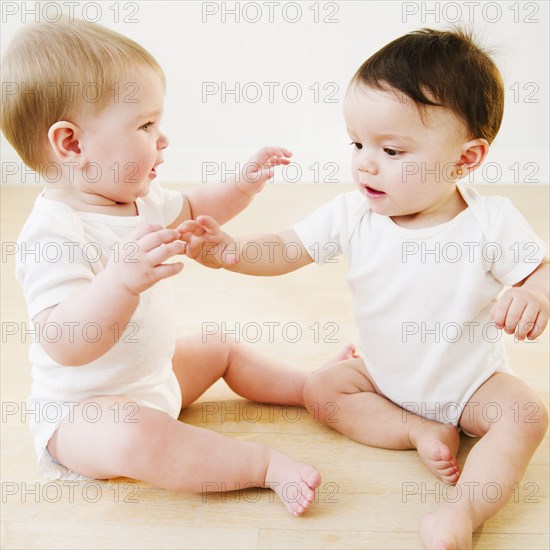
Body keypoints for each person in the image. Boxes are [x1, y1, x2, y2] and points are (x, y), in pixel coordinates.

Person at [179, 28, 549, 548]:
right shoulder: (353, 214)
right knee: (323, 390)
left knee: (526, 416)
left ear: (465, 159)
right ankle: (413, 430)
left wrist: (536, 294)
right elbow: (287, 248)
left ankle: (462, 511)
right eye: (357, 143)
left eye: (392, 150)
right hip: (380, 376)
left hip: (470, 385)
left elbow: (541, 269)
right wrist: (228, 253)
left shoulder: (490, 222)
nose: (365, 163)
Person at [0, 18, 322, 516]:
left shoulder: (140, 198)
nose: (164, 139)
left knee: (219, 346)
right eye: (146, 126)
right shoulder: (53, 232)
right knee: (138, 438)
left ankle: (310, 387)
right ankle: (260, 465)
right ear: (72, 145)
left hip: (153, 382)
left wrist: (242, 184)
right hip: (84, 419)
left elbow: (192, 208)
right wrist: (120, 281)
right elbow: (63, 341)